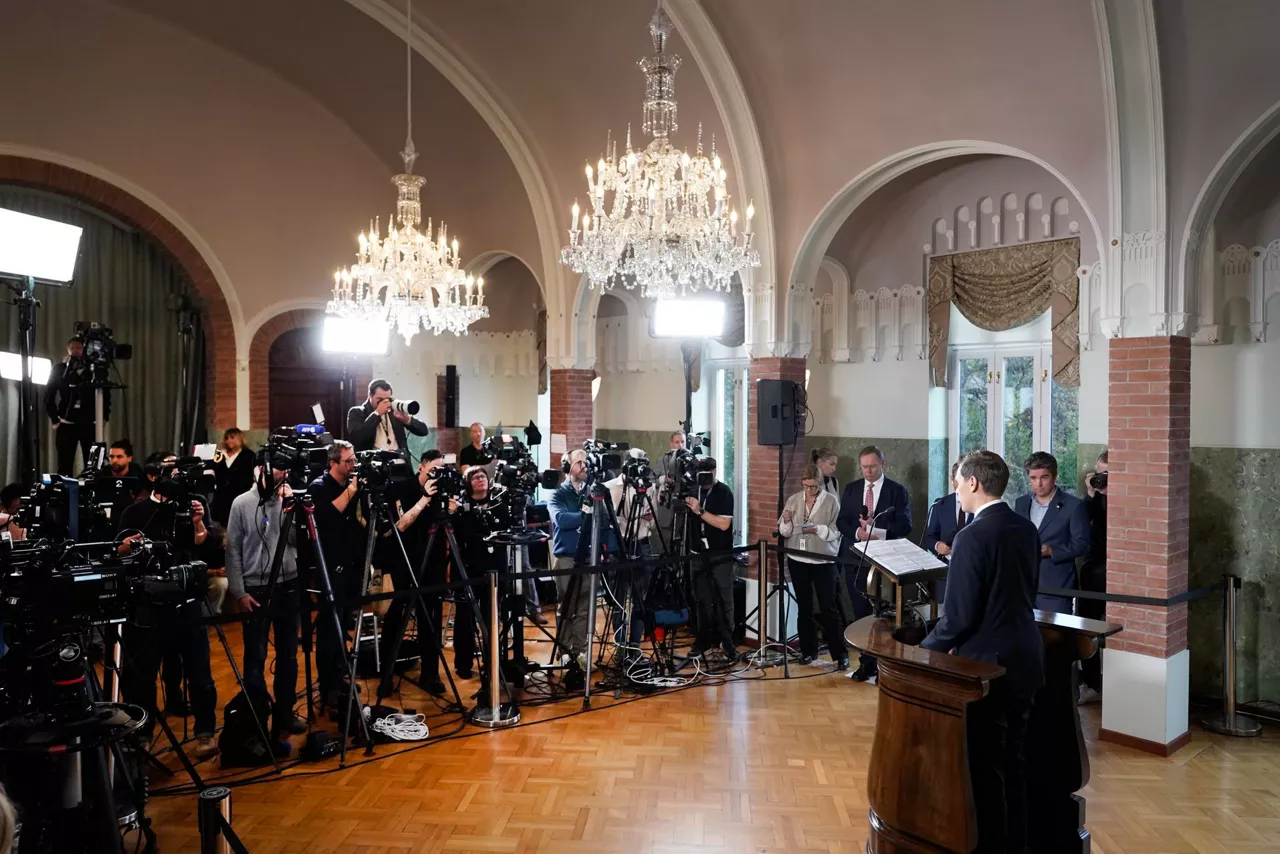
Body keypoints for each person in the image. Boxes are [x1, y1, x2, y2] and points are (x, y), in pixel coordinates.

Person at [922, 450, 1044, 854]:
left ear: (974, 483)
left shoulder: (971, 537)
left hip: (985, 669)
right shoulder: (1024, 529)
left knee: (986, 774)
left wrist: (922, 652)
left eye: (958, 483)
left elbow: (957, 619)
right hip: (1026, 657)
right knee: (1015, 765)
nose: (956, 491)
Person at [116, 471, 219, 758]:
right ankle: (143, 733)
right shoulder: (135, 511)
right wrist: (131, 545)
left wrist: (198, 522)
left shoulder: (193, 504)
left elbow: (204, 545)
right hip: (149, 606)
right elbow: (119, 551)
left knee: (200, 673)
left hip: (188, 601)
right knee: (144, 676)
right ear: (153, 477)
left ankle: (205, 732)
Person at [224, 456, 307, 743]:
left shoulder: (289, 500)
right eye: (279, 468)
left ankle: (285, 714)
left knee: (288, 656)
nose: (284, 474)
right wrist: (239, 591)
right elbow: (232, 549)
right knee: (255, 656)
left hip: (289, 584)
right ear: (262, 470)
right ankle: (255, 717)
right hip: (256, 589)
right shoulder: (241, 504)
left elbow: (298, 540)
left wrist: (291, 508)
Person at [836, 445, 913, 682]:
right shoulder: (851, 489)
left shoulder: (897, 491)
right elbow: (842, 521)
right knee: (861, 615)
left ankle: (885, 668)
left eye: (872, 466)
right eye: (864, 467)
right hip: (855, 560)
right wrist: (857, 533)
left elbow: (905, 526)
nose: (867, 471)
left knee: (882, 617)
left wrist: (877, 530)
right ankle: (866, 664)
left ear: (883, 464)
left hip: (883, 563)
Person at [379, 449, 448, 697]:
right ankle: (386, 673)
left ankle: (431, 674)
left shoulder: (443, 489)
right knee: (397, 616)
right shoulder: (401, 488)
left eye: (441, 470)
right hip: (405, 561)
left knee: (431, 618)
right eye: (433, 469)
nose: (436, 475)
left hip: (433, 562)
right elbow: (400, 525)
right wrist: (425, 499)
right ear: (422, 467)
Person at [309, 439, 365, 716]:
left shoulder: (351, 485)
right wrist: (352, 490)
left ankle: (342, 676)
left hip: (351, 564)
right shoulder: (318, 487)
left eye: (354, 460)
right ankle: (327, 686)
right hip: (329, 568)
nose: (352, 466)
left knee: (344, 625)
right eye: (348, 462)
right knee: (329, 630)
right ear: (333, 463)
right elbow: (327, 517)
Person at [777, 465, 848, 669]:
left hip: (822, 560)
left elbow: (837, 531)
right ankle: (808, 651)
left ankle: (840, 654)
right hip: (798, 559)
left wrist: (819, 529)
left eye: (814, 487)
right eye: (806, 486)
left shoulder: (831, 501)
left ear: (820, 483)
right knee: (804, 607)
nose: (809, 491)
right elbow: (784, 531)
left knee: (829, 608)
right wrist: (787, 522)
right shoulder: (793, 499)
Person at [1013, 451, 1090, 613]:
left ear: (1054, 477)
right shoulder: (1021, 503)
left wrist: (1052, 551)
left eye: (1044, 477)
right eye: (1033, 478)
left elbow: (1082, 545)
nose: (1038, 484)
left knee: (1055, 637)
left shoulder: (1074, 506)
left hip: (1056, 588)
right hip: (1022, 585)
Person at [450, 467, 504, 682]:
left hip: (494, 568)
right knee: (465, 618)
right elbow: (462, 533)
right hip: (468, 568)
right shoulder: (460, 507)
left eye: (483, 476)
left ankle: (491, 663)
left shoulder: (499, 503)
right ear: (468, 482)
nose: (481, 480)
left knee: (492, 617)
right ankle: (463, 663)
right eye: (476, 477)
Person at [683, 457, 736, 660]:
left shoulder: (724, 492)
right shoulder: (693, 490)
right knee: (701, 599)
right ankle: (703, 640)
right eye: (702, 473)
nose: (706, 477)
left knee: (725, 599)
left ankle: (727, 641)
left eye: (709, 472)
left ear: (716, 471)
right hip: (697, 553)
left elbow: (723, 524)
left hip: (720, 553)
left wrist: (700, 510)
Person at [605, 449, 656, 650]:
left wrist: (637, 518)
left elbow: (652, 518)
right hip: (619, 546)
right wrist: (637, 517)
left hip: (642, 543)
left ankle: (635, 643)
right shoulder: (610, 487)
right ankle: (620, 644)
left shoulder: (648, 487)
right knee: (618, 598)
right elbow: (616, 519)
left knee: (640, 598)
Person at [549, 449, 591, 664]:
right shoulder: (558, 494)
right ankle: (564, 651)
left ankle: (581, 650)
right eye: (579, 462)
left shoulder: (589, 491)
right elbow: (562, 520)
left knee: (584, 607)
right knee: (566, 606)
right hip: (565, 556)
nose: (584, 466)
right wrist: (584, 516)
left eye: (586, 462)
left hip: (587, 556)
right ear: (567, 467)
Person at [1078, 449, 1109, 704]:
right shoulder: (1095, 498)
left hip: (1121, 572)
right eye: (1099, 475)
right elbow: (1084, 521)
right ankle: (1091, 683)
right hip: (1094, 570)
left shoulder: (1130, 496)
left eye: (1108, 475)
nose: (1103, 480)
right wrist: (1091, 493)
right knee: (1088, 628)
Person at [44, 337, 98, 475]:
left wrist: (104, 416)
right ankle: (64, 494)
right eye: (72, 348)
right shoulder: (60, 369)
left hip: (88, 423)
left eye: (78, 348)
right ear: (68, 349)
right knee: (64, 464)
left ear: (84, 349)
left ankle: (89, 493)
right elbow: (49, 394)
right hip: (66, 423)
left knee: (92, 464)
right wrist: (54, 418)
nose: (75, 351)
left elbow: (105, 393)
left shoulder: (92, 368)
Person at [345, 378, 429, 455]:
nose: (384, 402)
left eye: (387, 399)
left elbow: (423, 431)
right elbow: (357, 439)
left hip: (400, 463)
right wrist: (377, 414)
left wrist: (407, 420)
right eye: (380, 399)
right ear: (370, 395)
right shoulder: (357, 412)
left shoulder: (394, 410)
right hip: (374, 465)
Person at [923, 460, 968, 601]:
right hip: (944, 574)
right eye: (957, 479)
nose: (960, 484)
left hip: (970, 572)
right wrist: (937, 546)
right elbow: (929, 538)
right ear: (952, 479)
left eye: (964, 479)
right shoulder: (940, 504)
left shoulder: (980, 506)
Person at [211, 427, 256, 527]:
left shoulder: (249, 455)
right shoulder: (220, 454)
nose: (229, 441)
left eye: (232, 437)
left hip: (240, 494)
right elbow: (213, 469)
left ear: (239, 438)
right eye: (226, 438)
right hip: (222, 496)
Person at [650, 431, 686, 554]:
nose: (680, 445)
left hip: (685, 509)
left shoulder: (690, 461)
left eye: (682, 442)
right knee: (665, 545)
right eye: (677, 442)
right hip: (667, 508)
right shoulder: (663, 460)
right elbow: (651, 478)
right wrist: (662, 479)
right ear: (671, 444)